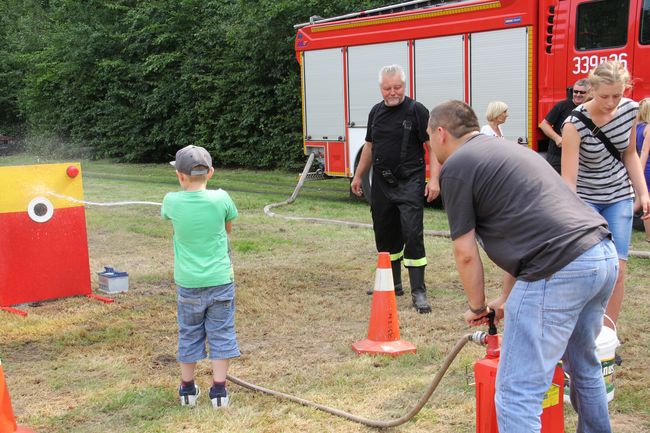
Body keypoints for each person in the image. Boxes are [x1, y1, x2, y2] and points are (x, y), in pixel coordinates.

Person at [429, 99, 618, 433]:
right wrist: (504, 299)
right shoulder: (510, 151)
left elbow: (465, 252)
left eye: (430, 138)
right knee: (584, 367)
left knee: (517, 392)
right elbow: (523, 232)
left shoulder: (458, 166)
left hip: (559, 267)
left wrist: (477, 307)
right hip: (600, 253)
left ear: (441, 133)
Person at [561, 61, 650, 328]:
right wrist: (573, 215)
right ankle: (581, 329)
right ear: (590, 90)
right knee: (587, 268)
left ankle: (607, 334)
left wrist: (643, 193)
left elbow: (629, 153)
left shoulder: (631, 110)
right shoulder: (573, 124)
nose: (611, 103)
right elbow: (569, 180)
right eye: (604, 96)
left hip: (619, 196)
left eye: (617, 95)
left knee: (618, 269)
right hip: (585, 199)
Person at [351, 64, 441, 314]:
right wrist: (358, 176)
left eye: (397, 87)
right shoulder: (375, 113)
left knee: (412, 233)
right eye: (387, 88)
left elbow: (432, 147)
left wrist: (434, 180)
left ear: (405, 85)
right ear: (381, 88)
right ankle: (393, 284)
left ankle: (418, 291)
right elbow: (369, 147)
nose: (393, 92)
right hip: (381, 183)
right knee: (384, 234)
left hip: (410, 181)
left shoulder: (417, 110)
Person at [161, 145, 240, 408]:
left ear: (180, 176)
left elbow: (169, 217)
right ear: (211, 173)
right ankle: (219, 391)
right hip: (220, 280)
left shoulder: (171, 201)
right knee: (221, 333)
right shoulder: (222, 198)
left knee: (189, 333)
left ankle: (187, 389)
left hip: (188, 284)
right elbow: (227, 228)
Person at [539, 78, 589, 173]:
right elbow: (544, 125)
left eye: (582, 92)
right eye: (576, 91)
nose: (578, 95)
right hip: (558, 155)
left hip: (580, 157)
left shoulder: (591, 108)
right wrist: (557, 138)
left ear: (589, 93)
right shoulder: (562, 106)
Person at [635, 98, 650, 242]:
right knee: (646, 204)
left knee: (640, 203)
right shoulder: (649, 128)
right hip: (647, 168)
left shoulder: (637, 127)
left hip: (641, 167)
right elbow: (645, 151)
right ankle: (649, 236)